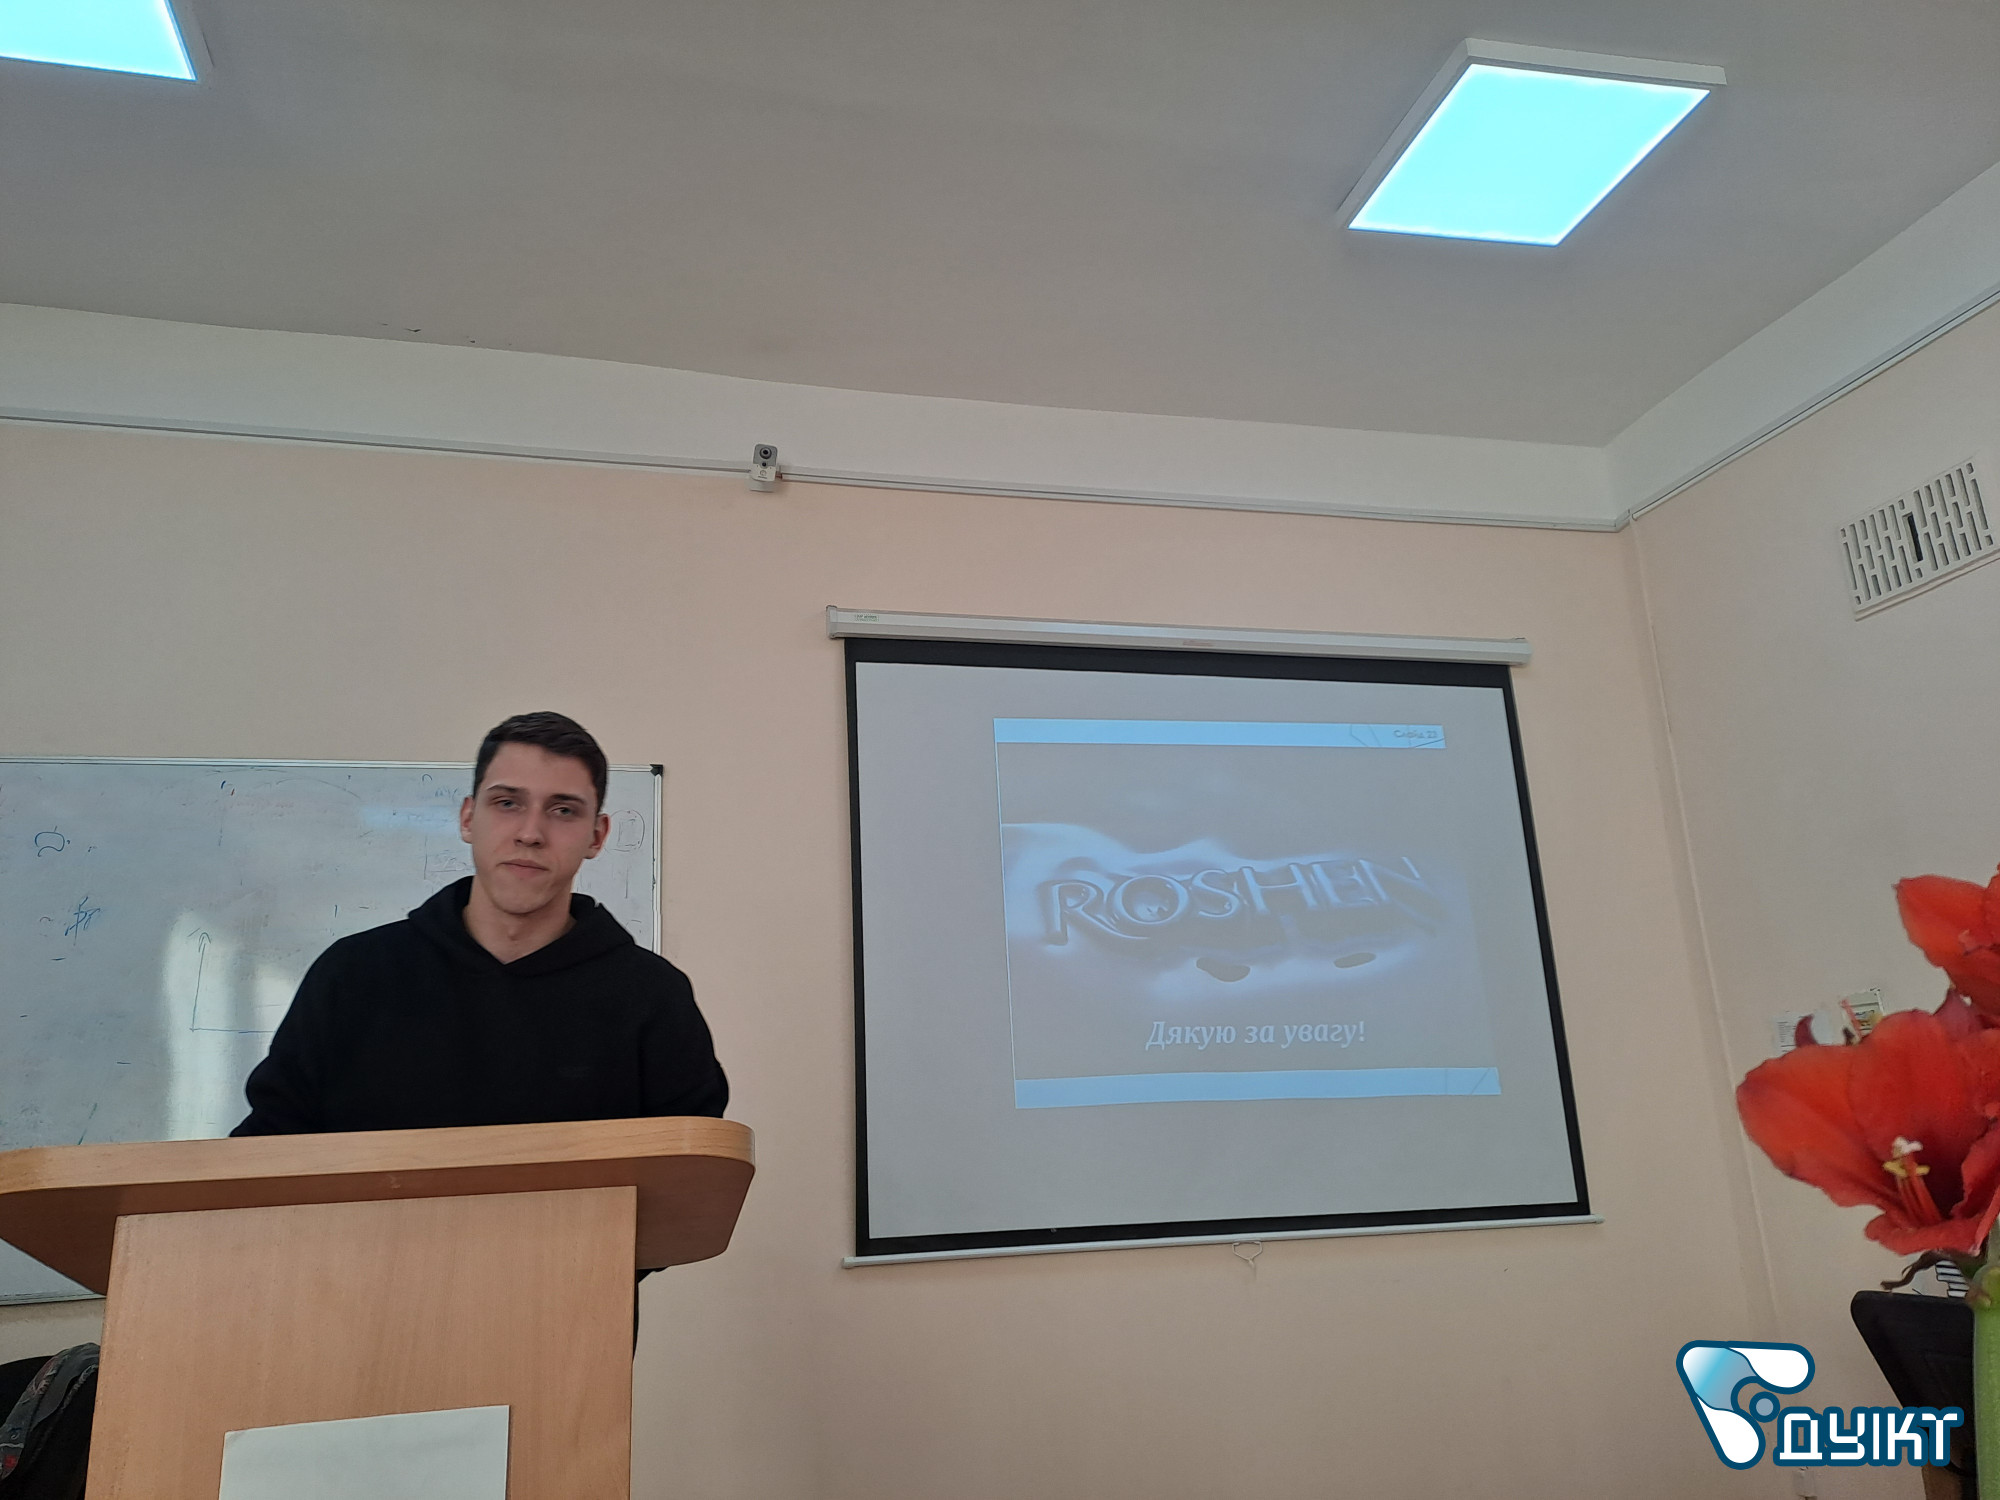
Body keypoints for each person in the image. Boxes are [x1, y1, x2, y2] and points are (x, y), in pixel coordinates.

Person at [233, 712, 726, 1137]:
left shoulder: (652, 997)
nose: (530, 833)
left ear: (597, 836)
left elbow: (689, 1176)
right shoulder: (354, 974)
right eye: (507, 803)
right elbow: (266, 1152)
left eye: (563, 810)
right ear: (468, 819)